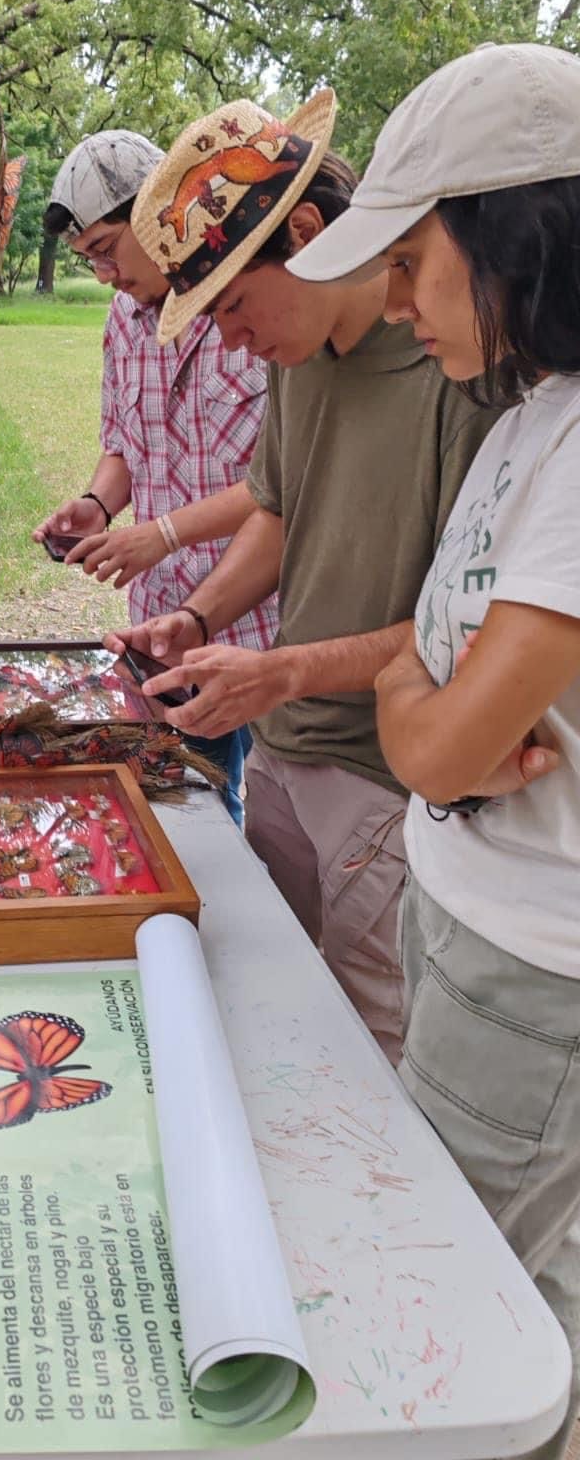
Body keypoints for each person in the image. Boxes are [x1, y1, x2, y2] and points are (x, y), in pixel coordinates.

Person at [290, 40, 580, 1460]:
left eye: (415, 262)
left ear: (515, 240)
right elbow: (425, 662)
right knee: (526, 1279)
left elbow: (449, 738)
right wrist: (426, 711)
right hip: (467, 916)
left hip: (535, 964)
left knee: (449, 1307)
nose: (398, 302)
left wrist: (423, 722)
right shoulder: (530, 419)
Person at [107, 91, 497, 1063]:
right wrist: (197, 619)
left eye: (233, 304)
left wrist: (283, 670)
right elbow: (279, 513)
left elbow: (478, 634)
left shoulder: (457, 367)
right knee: (264, 1010)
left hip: (389, 779)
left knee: (374, 1054)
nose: (228, 340)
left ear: (311, 232)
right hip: (287, 747)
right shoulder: (301, 352)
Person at [33, 129, 275, 825]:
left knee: (280, 810)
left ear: (157, 214)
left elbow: (284, 482)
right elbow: (125, 444)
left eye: (106, 251)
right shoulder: (123, 319)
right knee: (192, 799)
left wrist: (163, 534)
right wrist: (95, 504)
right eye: (87, 261)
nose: (104, 274)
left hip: (265, 619)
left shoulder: (245, 298)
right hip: (165, 623)